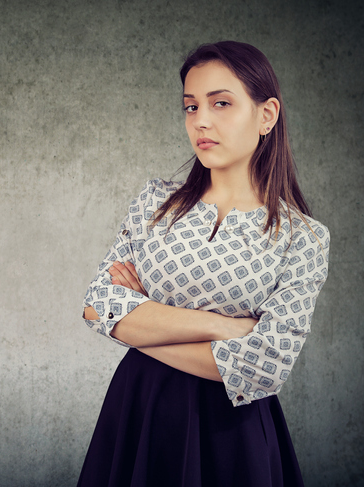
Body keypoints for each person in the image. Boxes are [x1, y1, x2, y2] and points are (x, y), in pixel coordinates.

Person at [77, 41, 330, 487]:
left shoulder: (303, 238)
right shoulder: (155, 203)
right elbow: (97, 306)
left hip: (234, 434)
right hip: (140, 414)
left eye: (221, 103)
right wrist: (226, 327)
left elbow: (266, 366)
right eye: (191, 106)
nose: (202, 121)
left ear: (267, 114)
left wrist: (139, 326)